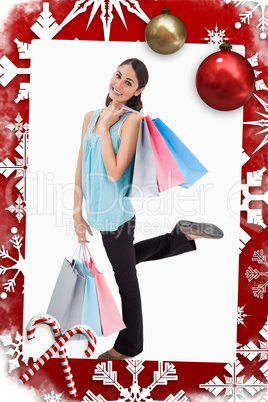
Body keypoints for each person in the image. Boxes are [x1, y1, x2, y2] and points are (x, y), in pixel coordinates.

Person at [73, 58, 224, 360]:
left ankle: (129, 346)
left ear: (138, 90)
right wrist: (77, 213)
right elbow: (80, 165)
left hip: (117, 214)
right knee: (126, 263)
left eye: (128, 82)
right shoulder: (91, 116)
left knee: (126, 280)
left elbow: (115, 172)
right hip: (96, 213)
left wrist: (105, 129)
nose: (118, 84)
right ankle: (181, 235)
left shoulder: (131, 121)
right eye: (117, 76)